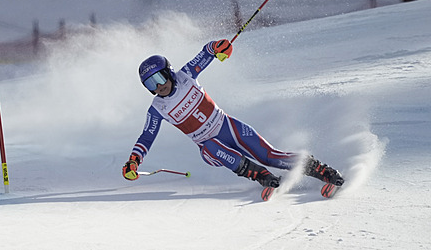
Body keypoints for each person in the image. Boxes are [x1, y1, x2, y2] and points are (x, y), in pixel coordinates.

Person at [122, 39, 344, 190]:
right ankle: (259, 175)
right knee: (210, 146)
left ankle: (317, 168)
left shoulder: (186, 76)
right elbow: (146, 137)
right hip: (210, 148)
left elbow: (206, 52)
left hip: (227, 126)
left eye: (159, 79)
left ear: (168, 72)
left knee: (268, 155)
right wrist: (134, 160)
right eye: (150, 84)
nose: (158, 87)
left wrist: (219, 47)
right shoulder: (157, 109)